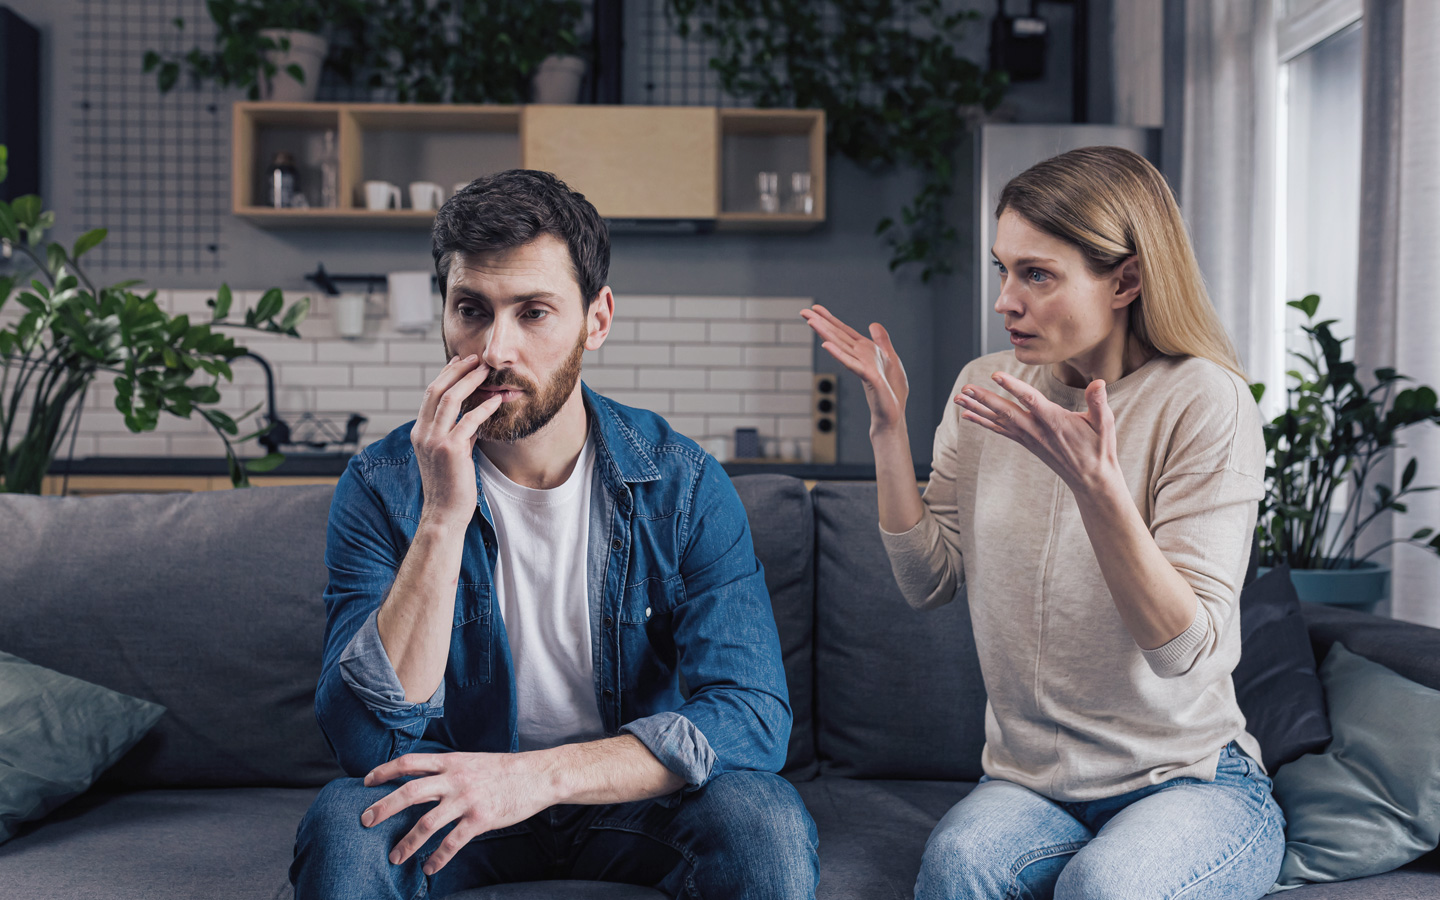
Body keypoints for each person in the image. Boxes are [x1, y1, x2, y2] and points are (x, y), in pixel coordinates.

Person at [291, 169, 818, 900]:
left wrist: (535, 778)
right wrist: (443, 515)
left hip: (629, 799)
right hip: (459, 797)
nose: (496, 349)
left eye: (533, 312)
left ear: (595, 320)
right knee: (345, 827)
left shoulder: (684, 484)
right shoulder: (383, 486)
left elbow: (753, 718)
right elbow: (364, 741)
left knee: (763, 820)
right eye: (471, 309)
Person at [801, 146, 1284, 900]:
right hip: (1032, 784)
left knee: (1106, 888)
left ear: (1125, 279)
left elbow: (1188, 653)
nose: (1004, 301)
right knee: (956, 868)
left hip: (1190, 780)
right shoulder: (986, 387)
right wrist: (889, 430)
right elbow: (928, 581)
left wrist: (1098, 487)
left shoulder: (1204, 401)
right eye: (1004, 269)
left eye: (1037, 274)